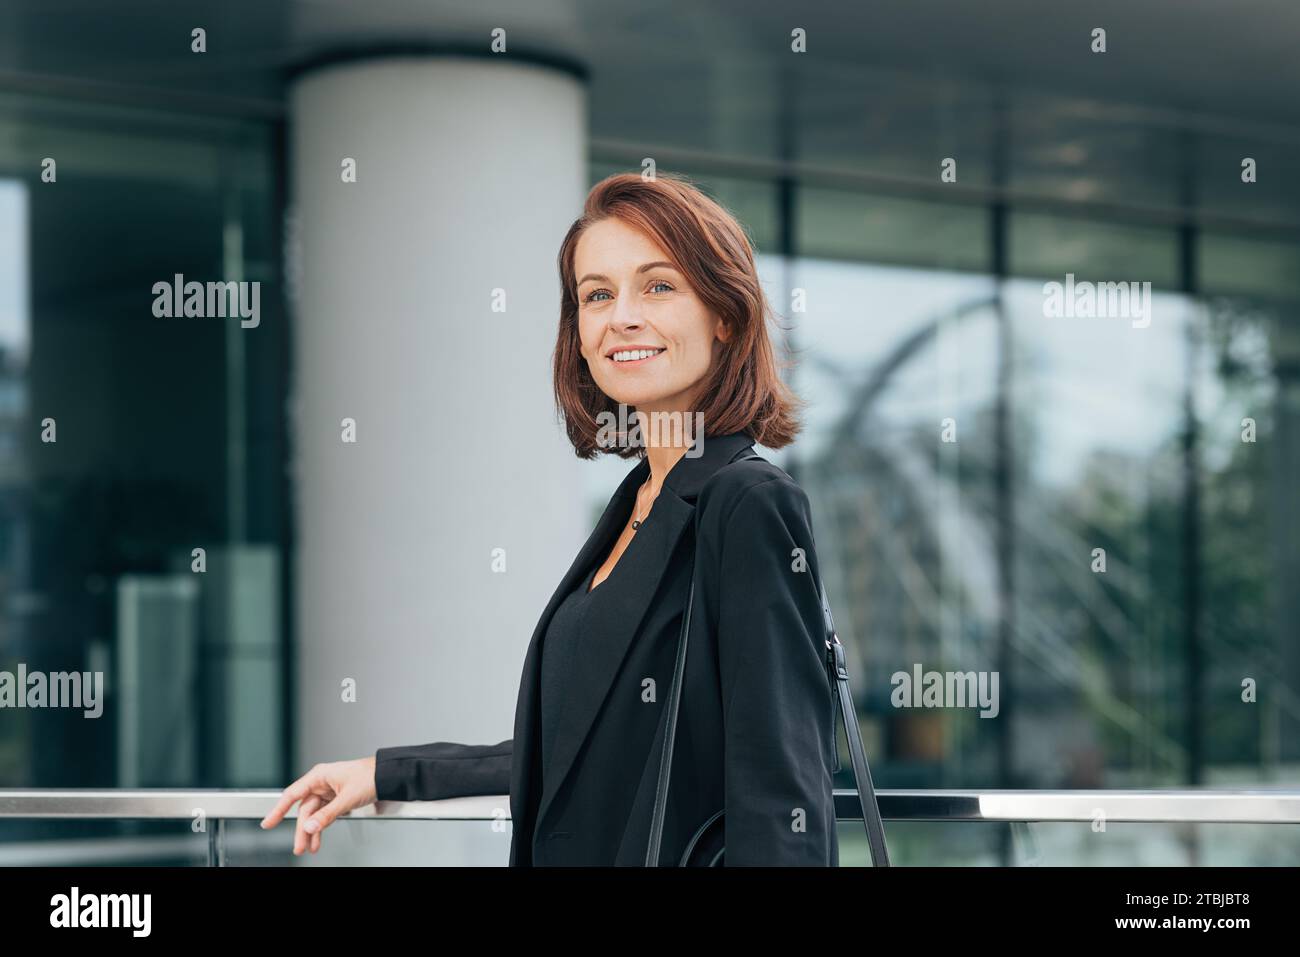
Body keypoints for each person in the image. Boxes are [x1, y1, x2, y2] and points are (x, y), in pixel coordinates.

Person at [261, 171, 839, 865]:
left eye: (658, 285)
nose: (621, 316)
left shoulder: (747, 503)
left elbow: (784, 793)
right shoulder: (634, 504)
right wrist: (388, 772)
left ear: (725, 315)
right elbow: (577, 751)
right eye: (596, 294)